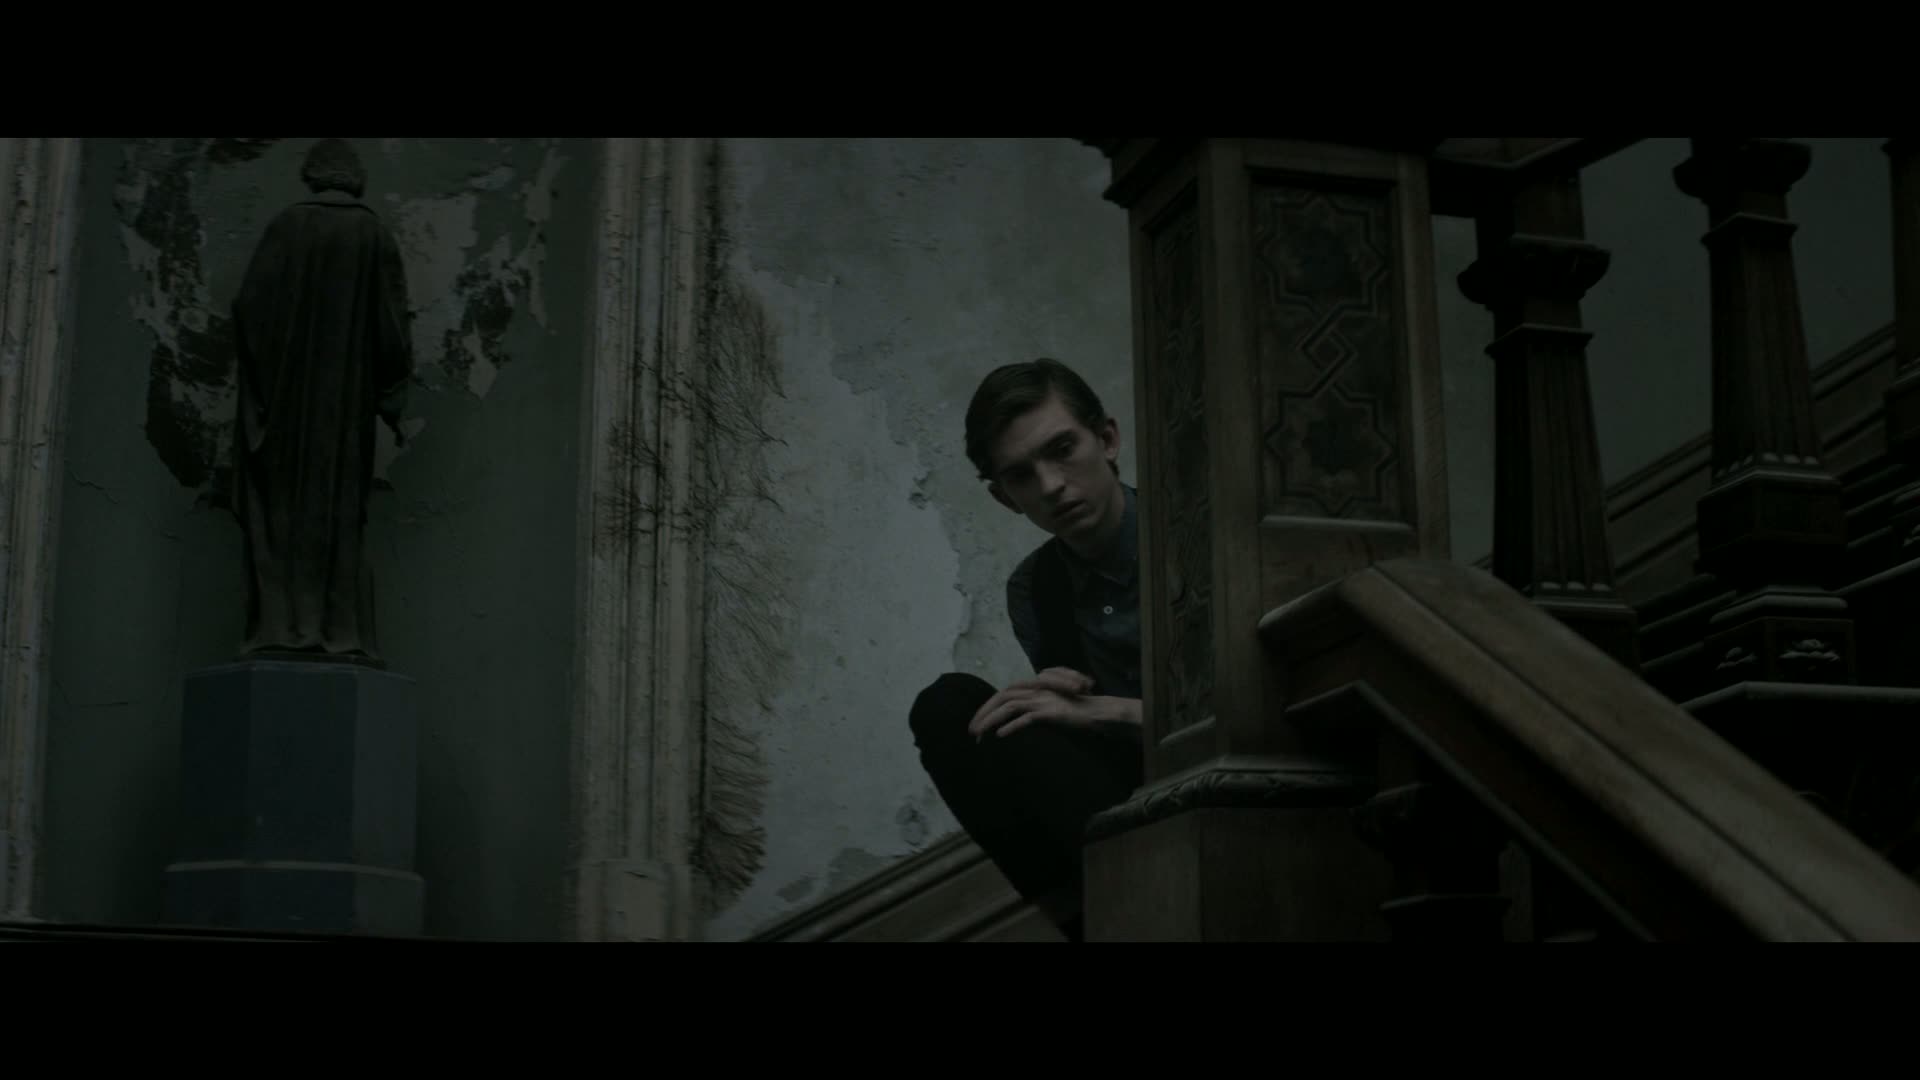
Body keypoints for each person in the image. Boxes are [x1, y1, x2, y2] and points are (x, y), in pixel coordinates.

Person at [909, 358, 1143, 942]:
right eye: (1021, 476)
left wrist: (1108, 711)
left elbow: (1258, 711)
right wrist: (1060, 705)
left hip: (1222, 764)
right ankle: (1088, 925)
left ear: (1107, 439)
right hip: (1121, 799)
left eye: (1062, 449)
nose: (1051, 486)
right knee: (950, 706)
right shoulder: (1033, 589)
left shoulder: (1200, 529)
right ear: (1004, 498)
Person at [230, 139, 414, 662]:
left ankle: (280, 626)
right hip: (345, 422)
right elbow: (392, 332)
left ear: (313, 174)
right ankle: (339, 630)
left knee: (280, 519)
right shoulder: (373, 236)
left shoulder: (287, 227)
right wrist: (391, 396)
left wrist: (268, 388)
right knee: (339, 520)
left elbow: (249, 309)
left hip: (284, 416)